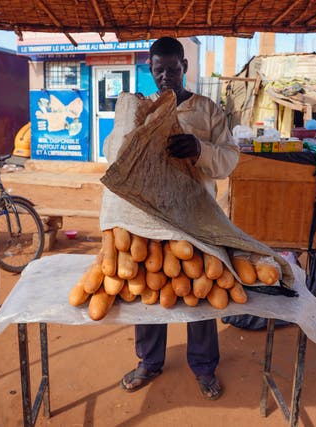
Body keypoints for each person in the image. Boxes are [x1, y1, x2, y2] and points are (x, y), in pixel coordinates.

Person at [118, 37, 240, 399]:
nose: (166, 76)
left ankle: (204, 367)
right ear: (150, 71)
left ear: (184, 67)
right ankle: (149, 362)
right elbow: (116, 152)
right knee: (152, 289)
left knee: (200, 290)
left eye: (173, 69)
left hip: (198, 214)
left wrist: (200, 149)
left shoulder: (207, 110)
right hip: (152, 214)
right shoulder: (143, 108)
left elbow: (230, 159)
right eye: (159, 70)